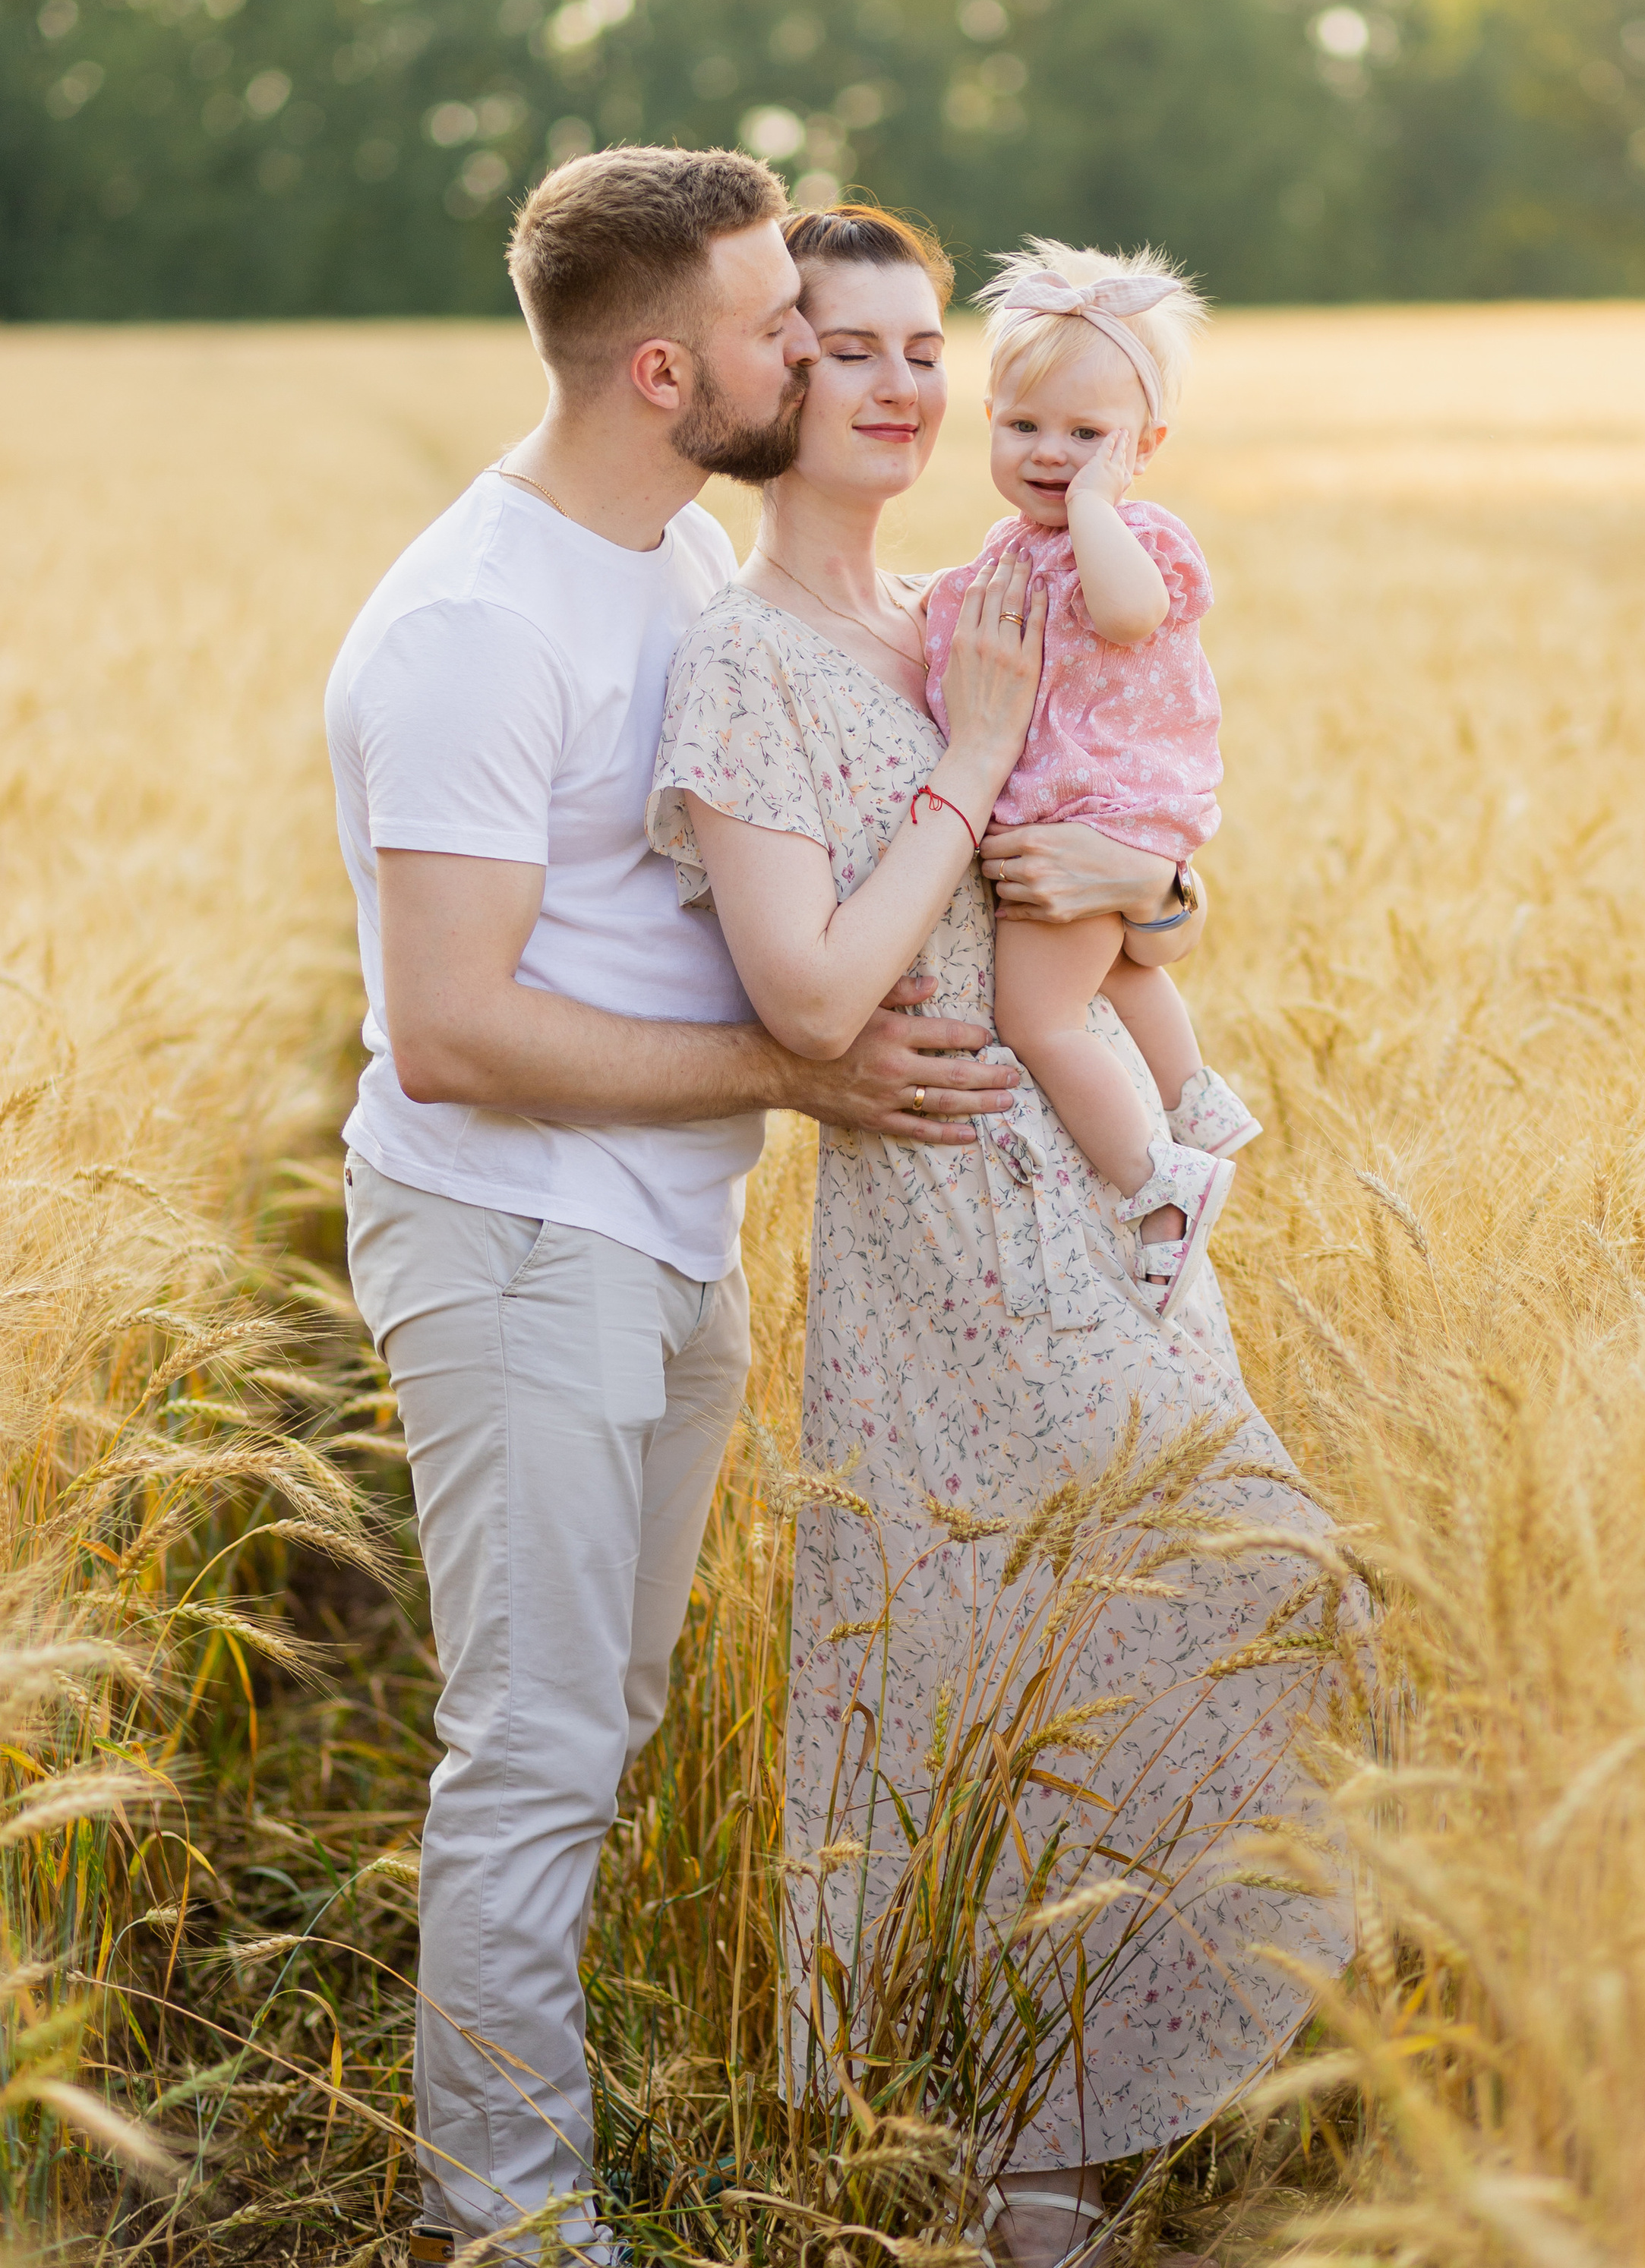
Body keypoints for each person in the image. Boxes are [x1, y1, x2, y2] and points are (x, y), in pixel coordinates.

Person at [326, 147, 1097, 2263]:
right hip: (515, 1242)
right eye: (779, 325)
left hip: (657, 1235)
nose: (818, 351)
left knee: (607, 1716)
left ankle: (529, 2168)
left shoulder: (666, 569)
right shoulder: (478, 631)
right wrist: (796, 1068)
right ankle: (510, 2221)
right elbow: (451, 1034)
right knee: (539, 1740)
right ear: (666, 368)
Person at [647, 204, 1361, 2268]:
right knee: (987, 1656)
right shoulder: (756, 656)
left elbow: (1113, 816)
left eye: (910, 346)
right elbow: (814, 994)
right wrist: (973, 770)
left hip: (1088, 1196)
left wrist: (1152, 881)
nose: (891, 381)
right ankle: (1007, 2160)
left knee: (1216, 1612)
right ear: (771, 385)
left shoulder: (957, 604)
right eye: (839, 348)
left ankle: (1106, 2097)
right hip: (947, 1227)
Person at [924, 244, 1261, 1312]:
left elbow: (1127, 614)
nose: (1052, 454)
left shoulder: (1134, 535)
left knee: (1039, 1020)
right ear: (989, 421)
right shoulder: (1004, 548)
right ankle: (1191, 1097)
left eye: (1088, 436)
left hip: (1100, 810)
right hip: (1078, 814)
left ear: (1145, 447)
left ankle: (1161, 1186)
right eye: (1024, 426)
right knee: (1119, 973)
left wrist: (1099, 510)